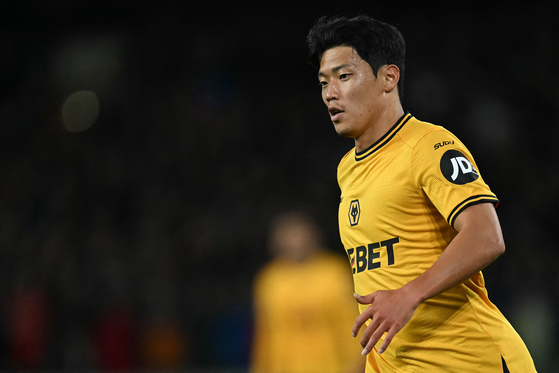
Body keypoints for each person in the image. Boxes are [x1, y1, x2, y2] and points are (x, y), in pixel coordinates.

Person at [306, 15, 537, 373]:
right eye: (324, 82)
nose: (330, 93)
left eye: (344, 76)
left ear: (388, 77)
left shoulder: (428, 145)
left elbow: (486, 235)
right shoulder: (347, 169)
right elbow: (380, 281)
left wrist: (408, 295)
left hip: (470, 361)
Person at [250, 211, 364, 373]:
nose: (294, 242)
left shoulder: (334, 272)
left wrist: (358, 364)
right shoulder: (270, 279)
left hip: (332, 367)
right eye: (288, 236)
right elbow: (264, 333)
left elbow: (352, 323)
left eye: (298, 235)